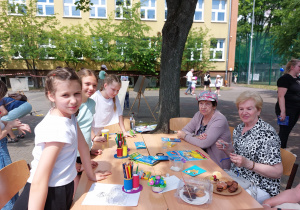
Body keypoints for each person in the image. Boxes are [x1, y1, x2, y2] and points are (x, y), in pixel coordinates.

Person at [13, 67, 111, 210]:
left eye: (77, 93)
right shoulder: (58, 129)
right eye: (65, 95)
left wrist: (91, 175)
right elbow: (40, 180)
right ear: (51, 96)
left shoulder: (68, 115)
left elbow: (82, 145)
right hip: (45, 195)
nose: (73, 100)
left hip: (61, 188)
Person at [216, 91, 282, 204]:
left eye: (249, 109)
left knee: (224, 202)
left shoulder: (267, 134)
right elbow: (240, 157)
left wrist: (248, 164)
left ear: (258, 110)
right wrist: (227, 150)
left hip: (261, 187)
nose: (244, 112)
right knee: (212, 187)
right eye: (241, 109)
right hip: (238, 178)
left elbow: (277, 172)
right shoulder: (239, 128)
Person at [177, 91, 231, 169]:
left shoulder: (219, 119)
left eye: (207, 104)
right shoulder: (199, 114)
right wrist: (195, 137)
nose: (203, 107)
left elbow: (204, 143)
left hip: (216, 164)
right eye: (201, 103)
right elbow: (184, 130)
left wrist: (185, 136)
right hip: (198, 156)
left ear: (214, 106)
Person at [0, 81, 31, 210]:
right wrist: (10, 127)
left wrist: (14, 123)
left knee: (9, 184)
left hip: (3, 151)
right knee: (6, 187)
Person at [74, 68, 103, 194]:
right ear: (78, 84)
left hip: (83, 153)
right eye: (87, 84)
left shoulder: (91, 103)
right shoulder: (73, 105)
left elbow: (85, 125)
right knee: (77, 193)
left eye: (94, 85)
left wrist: (90, 144)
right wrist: (73, 161)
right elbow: (70, 133)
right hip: (71, 156)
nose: (91, 88)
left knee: (88, 187)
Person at [91, 74, 133, 142]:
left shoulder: (114, 98)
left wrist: (124, 132)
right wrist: (93, 137)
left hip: (100, 134)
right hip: (90, 135)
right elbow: (86, 122)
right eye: (113, 89)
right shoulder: (94, 97)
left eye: (118, 90)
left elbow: (120, 115)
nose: (116, 93)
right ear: (105, 85)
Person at [275, 59, 300, 148]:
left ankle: (281, 153)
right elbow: (281, 96)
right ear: (292, 67)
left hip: (295, 110)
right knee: (284, 132)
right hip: (286, 110)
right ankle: (279, 154)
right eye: (299, 66)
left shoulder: (297, 79)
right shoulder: (284, 79)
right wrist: (283, 112)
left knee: (287, 131)